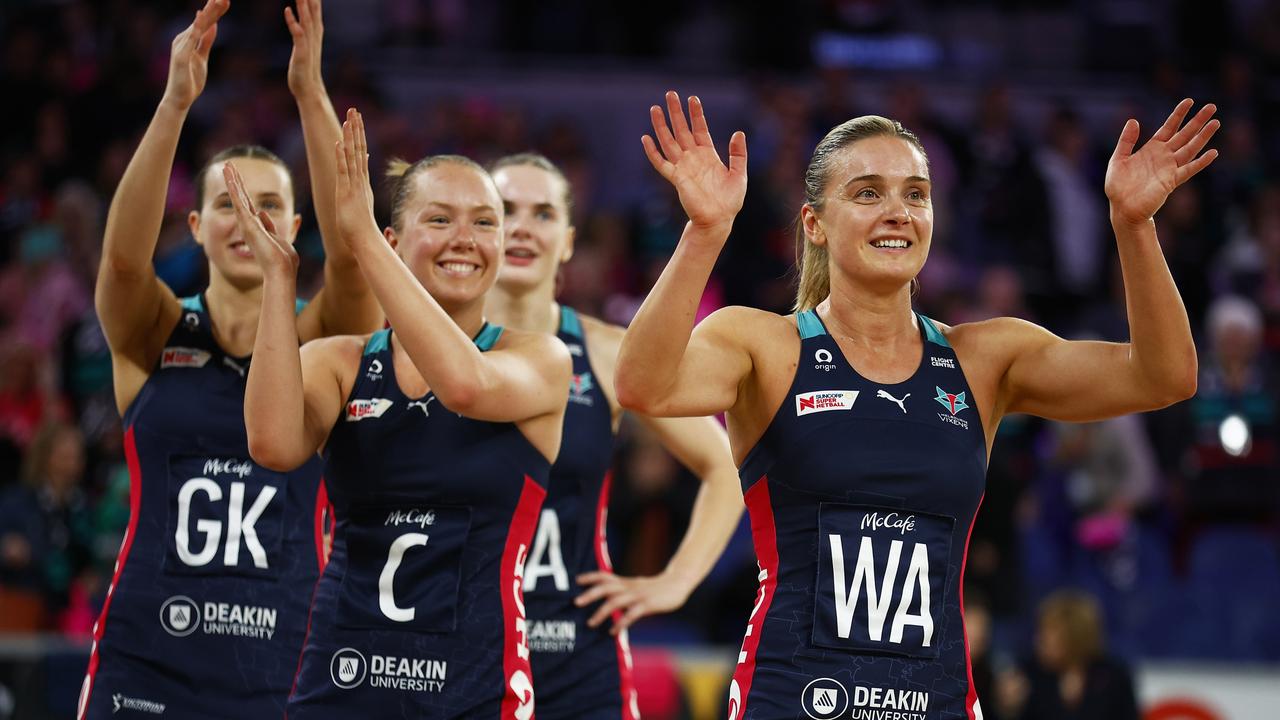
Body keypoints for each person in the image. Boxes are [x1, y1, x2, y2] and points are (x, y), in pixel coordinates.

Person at [614, 92, 1215, 718]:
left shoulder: (985, 359)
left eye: (916, 194)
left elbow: (1165, 376)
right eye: (868, 193)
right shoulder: (763, 344)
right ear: (815, 223)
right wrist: (706, 231)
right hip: (791, 700)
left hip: (938, 703)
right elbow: (643, 385)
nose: (898, 212)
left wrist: (1135, 226)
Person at [78, 1, 383, 717]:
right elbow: (122, 262)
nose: (249, 219)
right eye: (228, 204)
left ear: (297, 224)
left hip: (286, 663)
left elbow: (351, 260)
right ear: (194, 226)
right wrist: (175, 101)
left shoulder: (325, 341)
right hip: (145, 661)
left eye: (269, 204)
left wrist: (309, 93)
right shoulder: (155, 331)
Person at [240, 110, 571, 717]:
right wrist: (276, 279)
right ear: (395, 242)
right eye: (439, 219)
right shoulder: (337, 361)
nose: (464, 239)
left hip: (476, 686)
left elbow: (465, 387)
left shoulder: (541, 359)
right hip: (342, 678)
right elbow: (271, 444)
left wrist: (359, 238)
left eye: (484, 223)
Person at [486, 153, 743, 719]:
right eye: (503, 212)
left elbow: (726, 465)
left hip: (572, 649)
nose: (523, 226)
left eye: (543, 213)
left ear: (570, 240)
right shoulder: (430, 346)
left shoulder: (605, 352)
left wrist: (674, 582)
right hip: (460, 642)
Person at [996, 590, 1139, 720]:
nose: (1038, 641)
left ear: (1075, 638)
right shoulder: (1028, 675)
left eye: (1047, 635)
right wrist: (1007, 709)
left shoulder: (1113, 678)